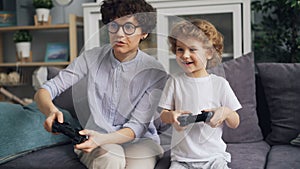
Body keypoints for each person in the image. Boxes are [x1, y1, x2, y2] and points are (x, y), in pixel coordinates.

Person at [34, 0, 168, 169]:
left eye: (128, 28)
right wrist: (51, 110)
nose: (119, 34)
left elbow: (136, 127)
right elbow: (46, 89)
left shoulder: (155, 72)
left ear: (144, 33)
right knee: (111, 159)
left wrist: (100, 139)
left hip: (140, 141)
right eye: (113, 26)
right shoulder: (91, 57)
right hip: (97, 136)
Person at [159, 19, 241, 169]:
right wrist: (171, 116)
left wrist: (226, 112)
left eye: (192, 49)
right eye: (180, 49)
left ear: (209, 53)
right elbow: (163, 114)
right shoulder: (175, 82)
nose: (185, 55)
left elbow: (235, 122)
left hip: (214, 158)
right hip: (181, 159)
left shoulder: (219, 84)